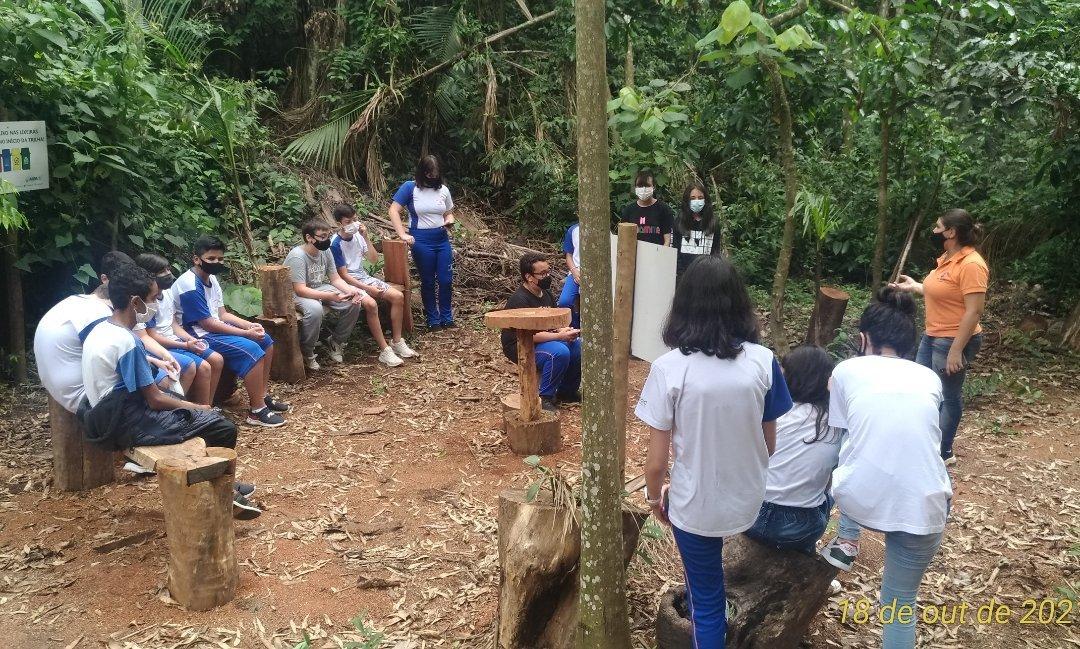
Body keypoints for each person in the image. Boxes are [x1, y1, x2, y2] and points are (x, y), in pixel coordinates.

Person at [636, 255, 792, 647]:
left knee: (707, 604)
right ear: (739, 304)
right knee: (707, 587)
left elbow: (655, 464)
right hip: (748, 498)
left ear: (683, 305)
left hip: (696, 505)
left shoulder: (669, 368)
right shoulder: (764, 362)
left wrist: (656, 498)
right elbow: (769, 444)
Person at [819, 287, 952, 649]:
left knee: (849, 445)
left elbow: (841, 432)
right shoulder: (929, 378)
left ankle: (846, 541)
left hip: (859, 498)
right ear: (910, 343)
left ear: (864, 339)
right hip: (926, 506)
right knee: (899, 603)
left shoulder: (847, 370)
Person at [78, 263, 259, 517]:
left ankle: (219, 480)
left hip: (104, 413)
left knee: (189, 407)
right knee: (221, 427)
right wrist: (198, 406)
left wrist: (155, 364)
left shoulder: (102, 329)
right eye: (153, 298)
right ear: (136, 302)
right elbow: (155, 399)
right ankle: (221, 493)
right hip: (123, 423)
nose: (156, 304)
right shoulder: (128, 342)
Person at [889, 208, 988, 465]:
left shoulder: (972, 264)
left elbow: (974, 311)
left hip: (953, 339)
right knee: (923, 389)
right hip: (932, 335)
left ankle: (943, 452)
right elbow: (945, 291)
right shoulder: (947, 258)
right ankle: (923, 443)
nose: (933, 231)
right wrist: (915, 287)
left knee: (947, 395)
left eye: (937, 227)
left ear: (951, 232)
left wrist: (957, 350)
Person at [176, 235, 288, 428]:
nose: (216, 263)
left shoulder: (211, 279)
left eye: (220, 259)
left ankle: (262, 395)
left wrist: (249, 325)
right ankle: (257, 411)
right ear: (197, 259)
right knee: (251, 349)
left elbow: (223, 314)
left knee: (265, 340)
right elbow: (207, 324)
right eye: (211, 259)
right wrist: (245, 334)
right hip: (195, 334)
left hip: (210, 328)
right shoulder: (189, 284)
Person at [744, 345, 839, 554]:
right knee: (829, 492)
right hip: (801, 529)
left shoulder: (772, 414)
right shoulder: (835, 424)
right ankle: (805, 554)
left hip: (751, 516)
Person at [33, 251, 133, 413]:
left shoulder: (78, 301)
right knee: (155, 384)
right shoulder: (100, 314)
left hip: (59, 387)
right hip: (83, 397)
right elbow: (118, 359)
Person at [330, 204, 419, 364]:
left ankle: (397, 341)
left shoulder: (358, 236)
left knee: (397, 296)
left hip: (363, 277)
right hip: (346, 282)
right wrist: (368, 288)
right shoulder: (335, 244)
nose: (353, 224)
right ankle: (385, 350)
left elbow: (373, 259)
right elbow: (343, 275)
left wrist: (365, 237)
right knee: (371, 304)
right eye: (348, 222)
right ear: (339, 223)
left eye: (355, 219)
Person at [135, 253, 225, 405]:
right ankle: (188, 408)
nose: (168, 274)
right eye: (162, 271)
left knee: (216, 359)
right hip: (161, 346)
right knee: (202, 367)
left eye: (168, 269)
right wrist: (184, 345)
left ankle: (207, 407)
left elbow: (173, 324)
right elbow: (152, 336)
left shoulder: (168, 293)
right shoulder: (147, 302)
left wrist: (190, 340)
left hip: (176, 341)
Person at [501, 253, 581, 412]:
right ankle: (545, 397)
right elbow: (529, 335)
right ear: (529, 277)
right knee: (559, 352)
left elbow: (552, 322)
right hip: (520, 344)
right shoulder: (520, 300)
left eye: (548, 271)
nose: (547, 276)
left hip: (543, 339)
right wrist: (559, 336)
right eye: (542, 273)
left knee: (577, 346)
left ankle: (567, 391)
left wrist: (564, 330)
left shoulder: (546, 294)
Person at [285, 219, 366, 370]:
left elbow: (335, 278)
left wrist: (350, 291)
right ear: (309, 237)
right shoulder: (298, 256)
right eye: (322, 237)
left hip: (318, 287)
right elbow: (300, 289)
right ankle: (307, 351)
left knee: (353, 302)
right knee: (315, 309)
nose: (326, 240)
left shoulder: (325, 251)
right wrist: (330, 297)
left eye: (328, 236)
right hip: (294, 293)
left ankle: (336, 341)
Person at [389, 155, 456, 329]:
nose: (432, 176)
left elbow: (448, 212)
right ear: (422, 172)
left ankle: (447, 317)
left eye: (435, 173)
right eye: (429, 173)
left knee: (446, 279)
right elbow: (393, 210)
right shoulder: (410, 187)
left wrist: (449, 220)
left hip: (441, 238)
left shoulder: (443, 190)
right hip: (421, 239)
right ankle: (433, 319)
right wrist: (402, 233)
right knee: (428, 280)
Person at [675, 182, 722, 278]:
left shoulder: (713, 223)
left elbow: (715, 252)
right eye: (692, 198)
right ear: (687, 200)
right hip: (683, 276)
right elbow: (676, 251)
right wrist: (681, 274)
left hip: (707, 276)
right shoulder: (679, 222)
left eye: (700, 198)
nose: (696, 201)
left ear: (705, 200)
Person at [619, 169, 674, 247]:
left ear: (654, 187)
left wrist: (663, 253)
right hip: (634, 253)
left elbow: (668, 240)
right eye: (640, 186)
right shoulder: (628, 211)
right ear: (635, 188)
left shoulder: (664, 209)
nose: (643, 189)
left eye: (647, 185)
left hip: (657, 253)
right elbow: (623, 237)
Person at [557, 221, 581, 328]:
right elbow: (569, 255)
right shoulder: (573, 230)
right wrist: (574, 272)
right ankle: (575, 327)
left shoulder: (603, 229)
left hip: (597, 273)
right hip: (576, 271)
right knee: (564, 302)